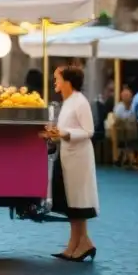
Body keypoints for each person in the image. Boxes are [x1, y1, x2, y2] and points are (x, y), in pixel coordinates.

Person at [44, 65, 98, 262]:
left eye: (57, 78)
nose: (55, 82)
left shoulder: (80, 102)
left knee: (77, 201)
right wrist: (55, 134)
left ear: (67, 81)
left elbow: (89, 131)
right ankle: (78, 243)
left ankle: (80, 244)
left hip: (79, 157)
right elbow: (65, 129)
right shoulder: (68, 102)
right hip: (67, 154)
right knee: (71, 201)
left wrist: (64, 134)